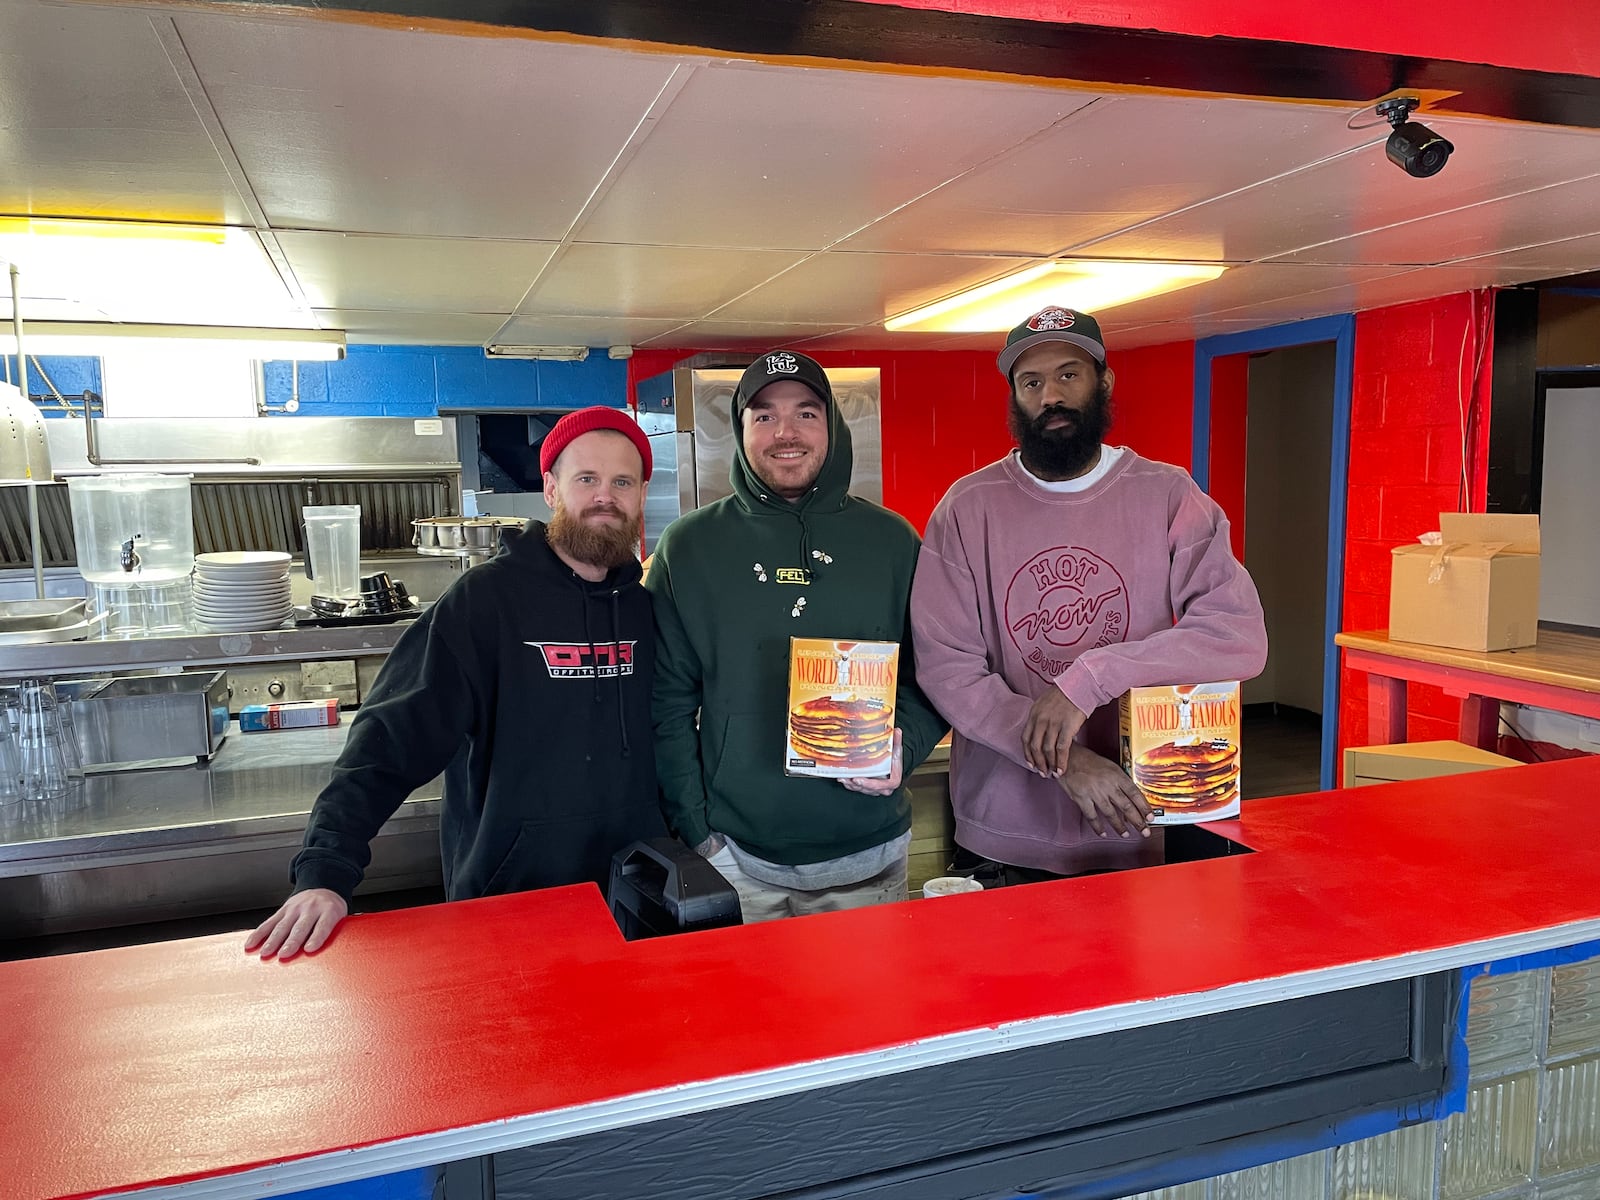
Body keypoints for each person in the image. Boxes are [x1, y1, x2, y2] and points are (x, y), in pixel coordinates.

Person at [246, 407, 666, 960]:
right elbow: (388, 740)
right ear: (550, 489)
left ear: (640, 496)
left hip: (638, 904)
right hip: (510, 907)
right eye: (586, 478)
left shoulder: (647, 611)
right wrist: (325, 872)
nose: (604, 497)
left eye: (622, 482)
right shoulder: (484, 603)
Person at [910, 306, 1267, 883]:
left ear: (1104, 382)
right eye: (1031, 383)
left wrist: (1091, 676)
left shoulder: (1169, 495)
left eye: (1069, 374)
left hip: (1141, 822)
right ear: (1015, 399)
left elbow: (1238, 636)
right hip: (1007, 836)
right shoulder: (967, 508)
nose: (1050, 395)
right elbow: (947, 667)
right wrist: (1064, 760)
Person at [647, 350, 947, 921]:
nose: (786, 433)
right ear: (740, 431)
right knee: (751, 1012)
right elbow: (667, 704)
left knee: (869, 1012)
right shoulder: (687, 549)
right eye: (763, 416)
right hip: (738, 860)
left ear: (830, 426)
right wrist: (699, 832)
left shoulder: (892, 542)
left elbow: (934, 677)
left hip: (872, 856)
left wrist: (903, 749)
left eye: (806, 413)